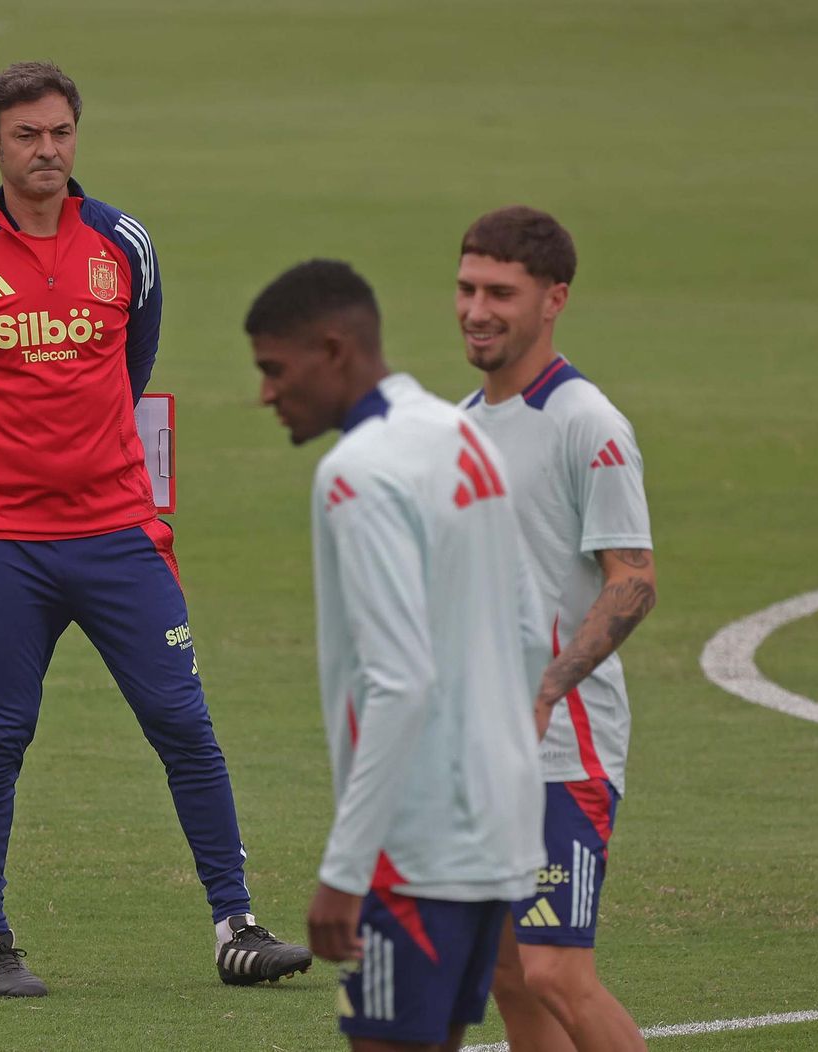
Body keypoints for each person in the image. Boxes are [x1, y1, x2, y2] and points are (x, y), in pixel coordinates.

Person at [0, 61, 310, 998]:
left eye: (59, 132)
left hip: (121, 536)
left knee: (184, 723)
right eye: (25, 135)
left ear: (75, 136)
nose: (45, 150)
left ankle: (236, 924)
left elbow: (134, 364)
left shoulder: (123, 244)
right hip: (5, 543)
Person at [246, 259, 546, 1052]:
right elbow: (528, 623)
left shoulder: (358, 473)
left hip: (413, 848)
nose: (267, 394)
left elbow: (399, 681)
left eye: (276, 370)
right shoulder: (459, 432)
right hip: (498, 825)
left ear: (333, 349)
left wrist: (347, 868)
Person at [456, 206, 656, 1052]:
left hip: (563, 747)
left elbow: (634, 581)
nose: (476, 309)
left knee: (555, 972)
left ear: (553, 300)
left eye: (501, 292)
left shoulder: (587, 424)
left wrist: (547, 686)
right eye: (467, 288)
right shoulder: (464, 422)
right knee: (505, 972)